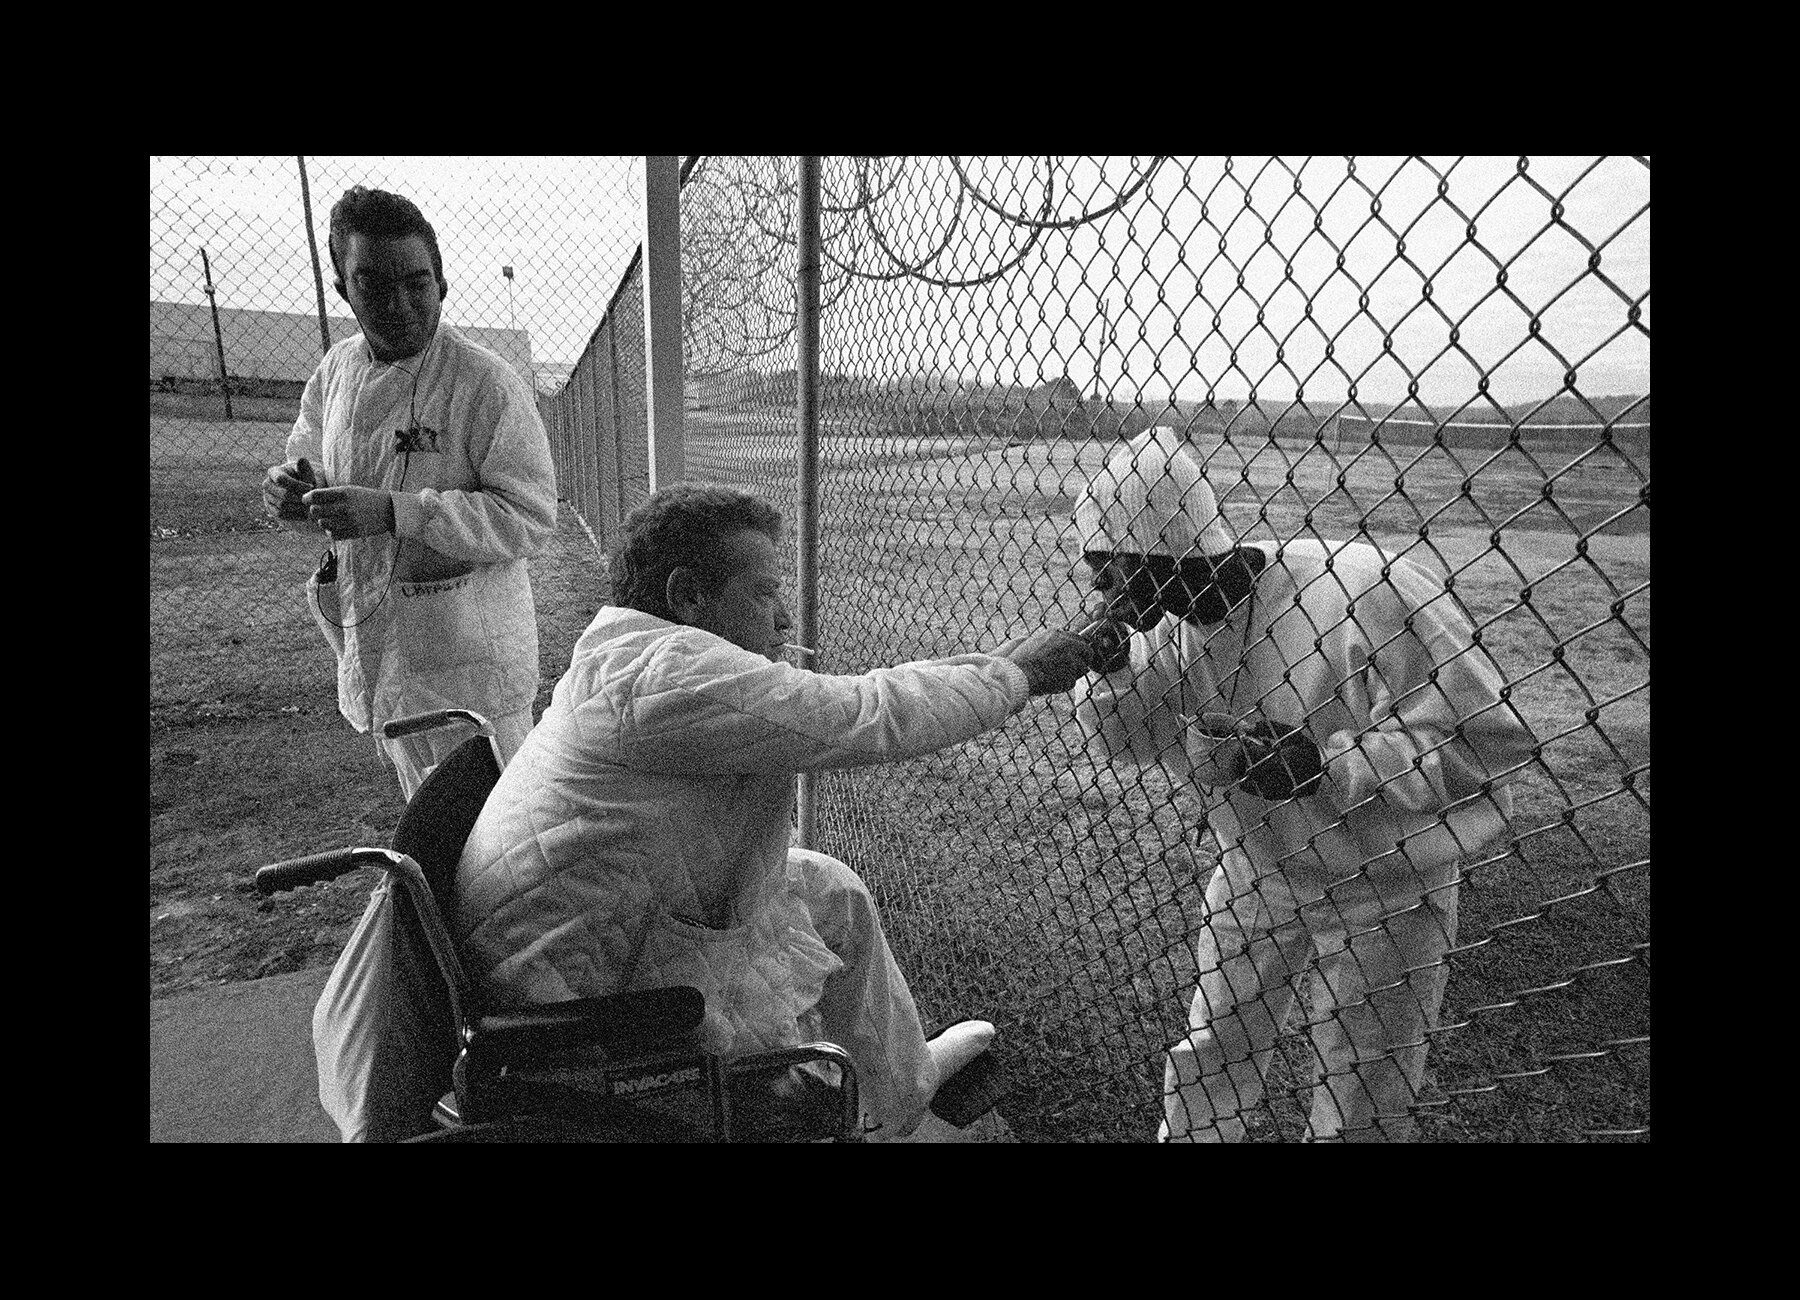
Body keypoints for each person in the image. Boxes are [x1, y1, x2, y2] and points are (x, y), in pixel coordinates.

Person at [454, 483, 1094, 1139]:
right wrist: (1015, 675)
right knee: (811, 896)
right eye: (764, 592)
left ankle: (901, 1096)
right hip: (578, 990)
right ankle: (838, 1100)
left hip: (581, 930)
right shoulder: (668, 675)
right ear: (687, 596)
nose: (786, 619)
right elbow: (865, 716)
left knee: (827, 887)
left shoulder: (633, 658)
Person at [1072, 426, 1536, 1141]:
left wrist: (1326, 766)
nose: (1099, 587)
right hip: (1257, 869)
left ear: (1168, 556)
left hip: (1387, 879)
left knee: (1366, 1082)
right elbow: (1128, 742)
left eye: (1110, 566)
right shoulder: (1164, 626)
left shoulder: (1366, 587)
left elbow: (1484, 743)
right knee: (1213, 1051)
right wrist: (1106, 670)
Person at [262, 186, 559, 798]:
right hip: (382, 648)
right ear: (344, 287)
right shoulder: (336, 372)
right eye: (373, 283)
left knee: (503, 843)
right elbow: (308, 453)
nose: (398, 304)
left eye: (416, 283)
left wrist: (396, 514)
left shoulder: (486, 385)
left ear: (442, 284)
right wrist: (291, 488)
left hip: (472, 671)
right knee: (431, 825)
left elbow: (528, 515)